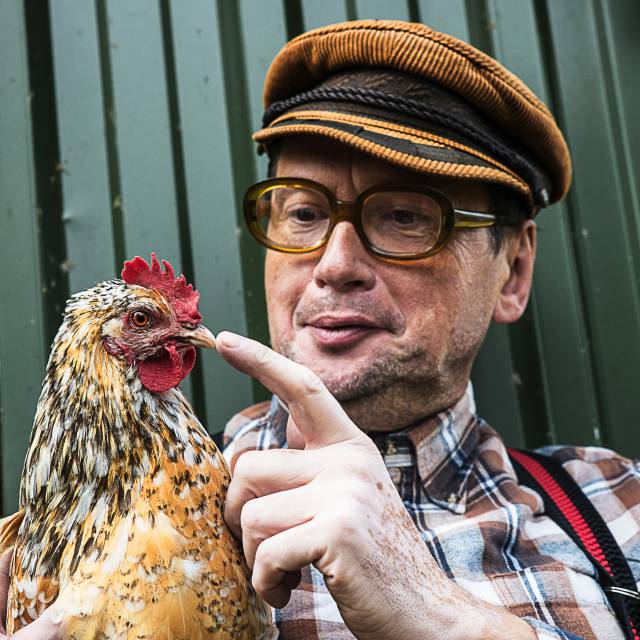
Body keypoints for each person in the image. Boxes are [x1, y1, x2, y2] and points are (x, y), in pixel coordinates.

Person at [2, 19, 636, 640]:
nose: (335, 266)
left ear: (515, 270)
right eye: (303, 211)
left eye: (406, 217)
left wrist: (445, 618)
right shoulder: (60, 548)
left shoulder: (621, 510)